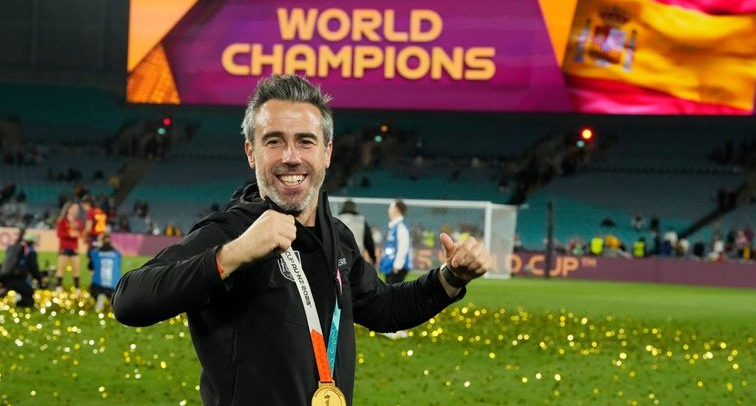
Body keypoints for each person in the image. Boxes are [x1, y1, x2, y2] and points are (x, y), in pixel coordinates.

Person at [111, 74, 489, 406]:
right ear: (251, 152)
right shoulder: (228, 232)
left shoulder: (337, 238)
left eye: (305, 142)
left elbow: (384, 308)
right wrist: (232, 255)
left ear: (326, 153)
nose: (291, 157)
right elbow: (130, 300)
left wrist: (450, 278)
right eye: (274, 141)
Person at [0, 232, 46, 307]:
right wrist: (39, 279)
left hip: (5, 276)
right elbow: (33, 267)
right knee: (28, 292)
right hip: (15, 278)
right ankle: (21, 305)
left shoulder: (13, 248)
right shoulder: (30, 251)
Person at [379, 199, 412, 284]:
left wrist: (397, 266)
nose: (388, 210)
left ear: (396, 210)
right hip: (390, 266)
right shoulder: (394, 227)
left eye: (390, 207)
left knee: (394, 293)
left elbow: (403, 248)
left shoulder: (401, 227)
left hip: (397, 268)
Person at [89, 234, 122, 313]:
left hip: (99, 286)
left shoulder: (95, 253)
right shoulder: (117, 254)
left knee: (93, 283)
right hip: (114, 286)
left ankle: (100, 296)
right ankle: (113, 299)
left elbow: (90, 267)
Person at [55, 201, 83, 290]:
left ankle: (77, 289)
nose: (76, 211)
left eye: (77, 209)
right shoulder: (62, 220)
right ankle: (58, 288)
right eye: (74, 209)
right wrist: (69, 234)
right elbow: (59, 233)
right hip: (64, 248)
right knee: (61, 269)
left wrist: (78, 233)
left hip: (74, 248)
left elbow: (81, 232)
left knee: (76, 270)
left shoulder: (78, 221)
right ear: (68, 209)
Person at [82, 195, 108, 269]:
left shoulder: (90, 212)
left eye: (83, 205)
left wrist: (84, 236)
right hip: (102, 238)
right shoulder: (101, 211)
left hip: (94, 238)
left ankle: (94, 279)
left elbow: (88, 228)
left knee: (92, 262)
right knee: (100, 259)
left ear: (87, 204)